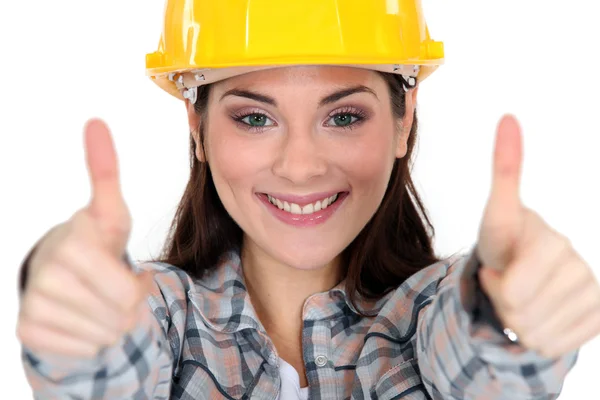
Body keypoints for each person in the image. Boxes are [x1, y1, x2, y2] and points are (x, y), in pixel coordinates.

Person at [15, 1, 600, 399]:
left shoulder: (426, 318)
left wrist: (505, 317)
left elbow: (479, 364)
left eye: (343, 116)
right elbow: (107, 371)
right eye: (254, 117)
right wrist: (77, 310)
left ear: (404, 121)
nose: (300, 166)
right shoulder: (160, 317)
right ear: (196, 128)